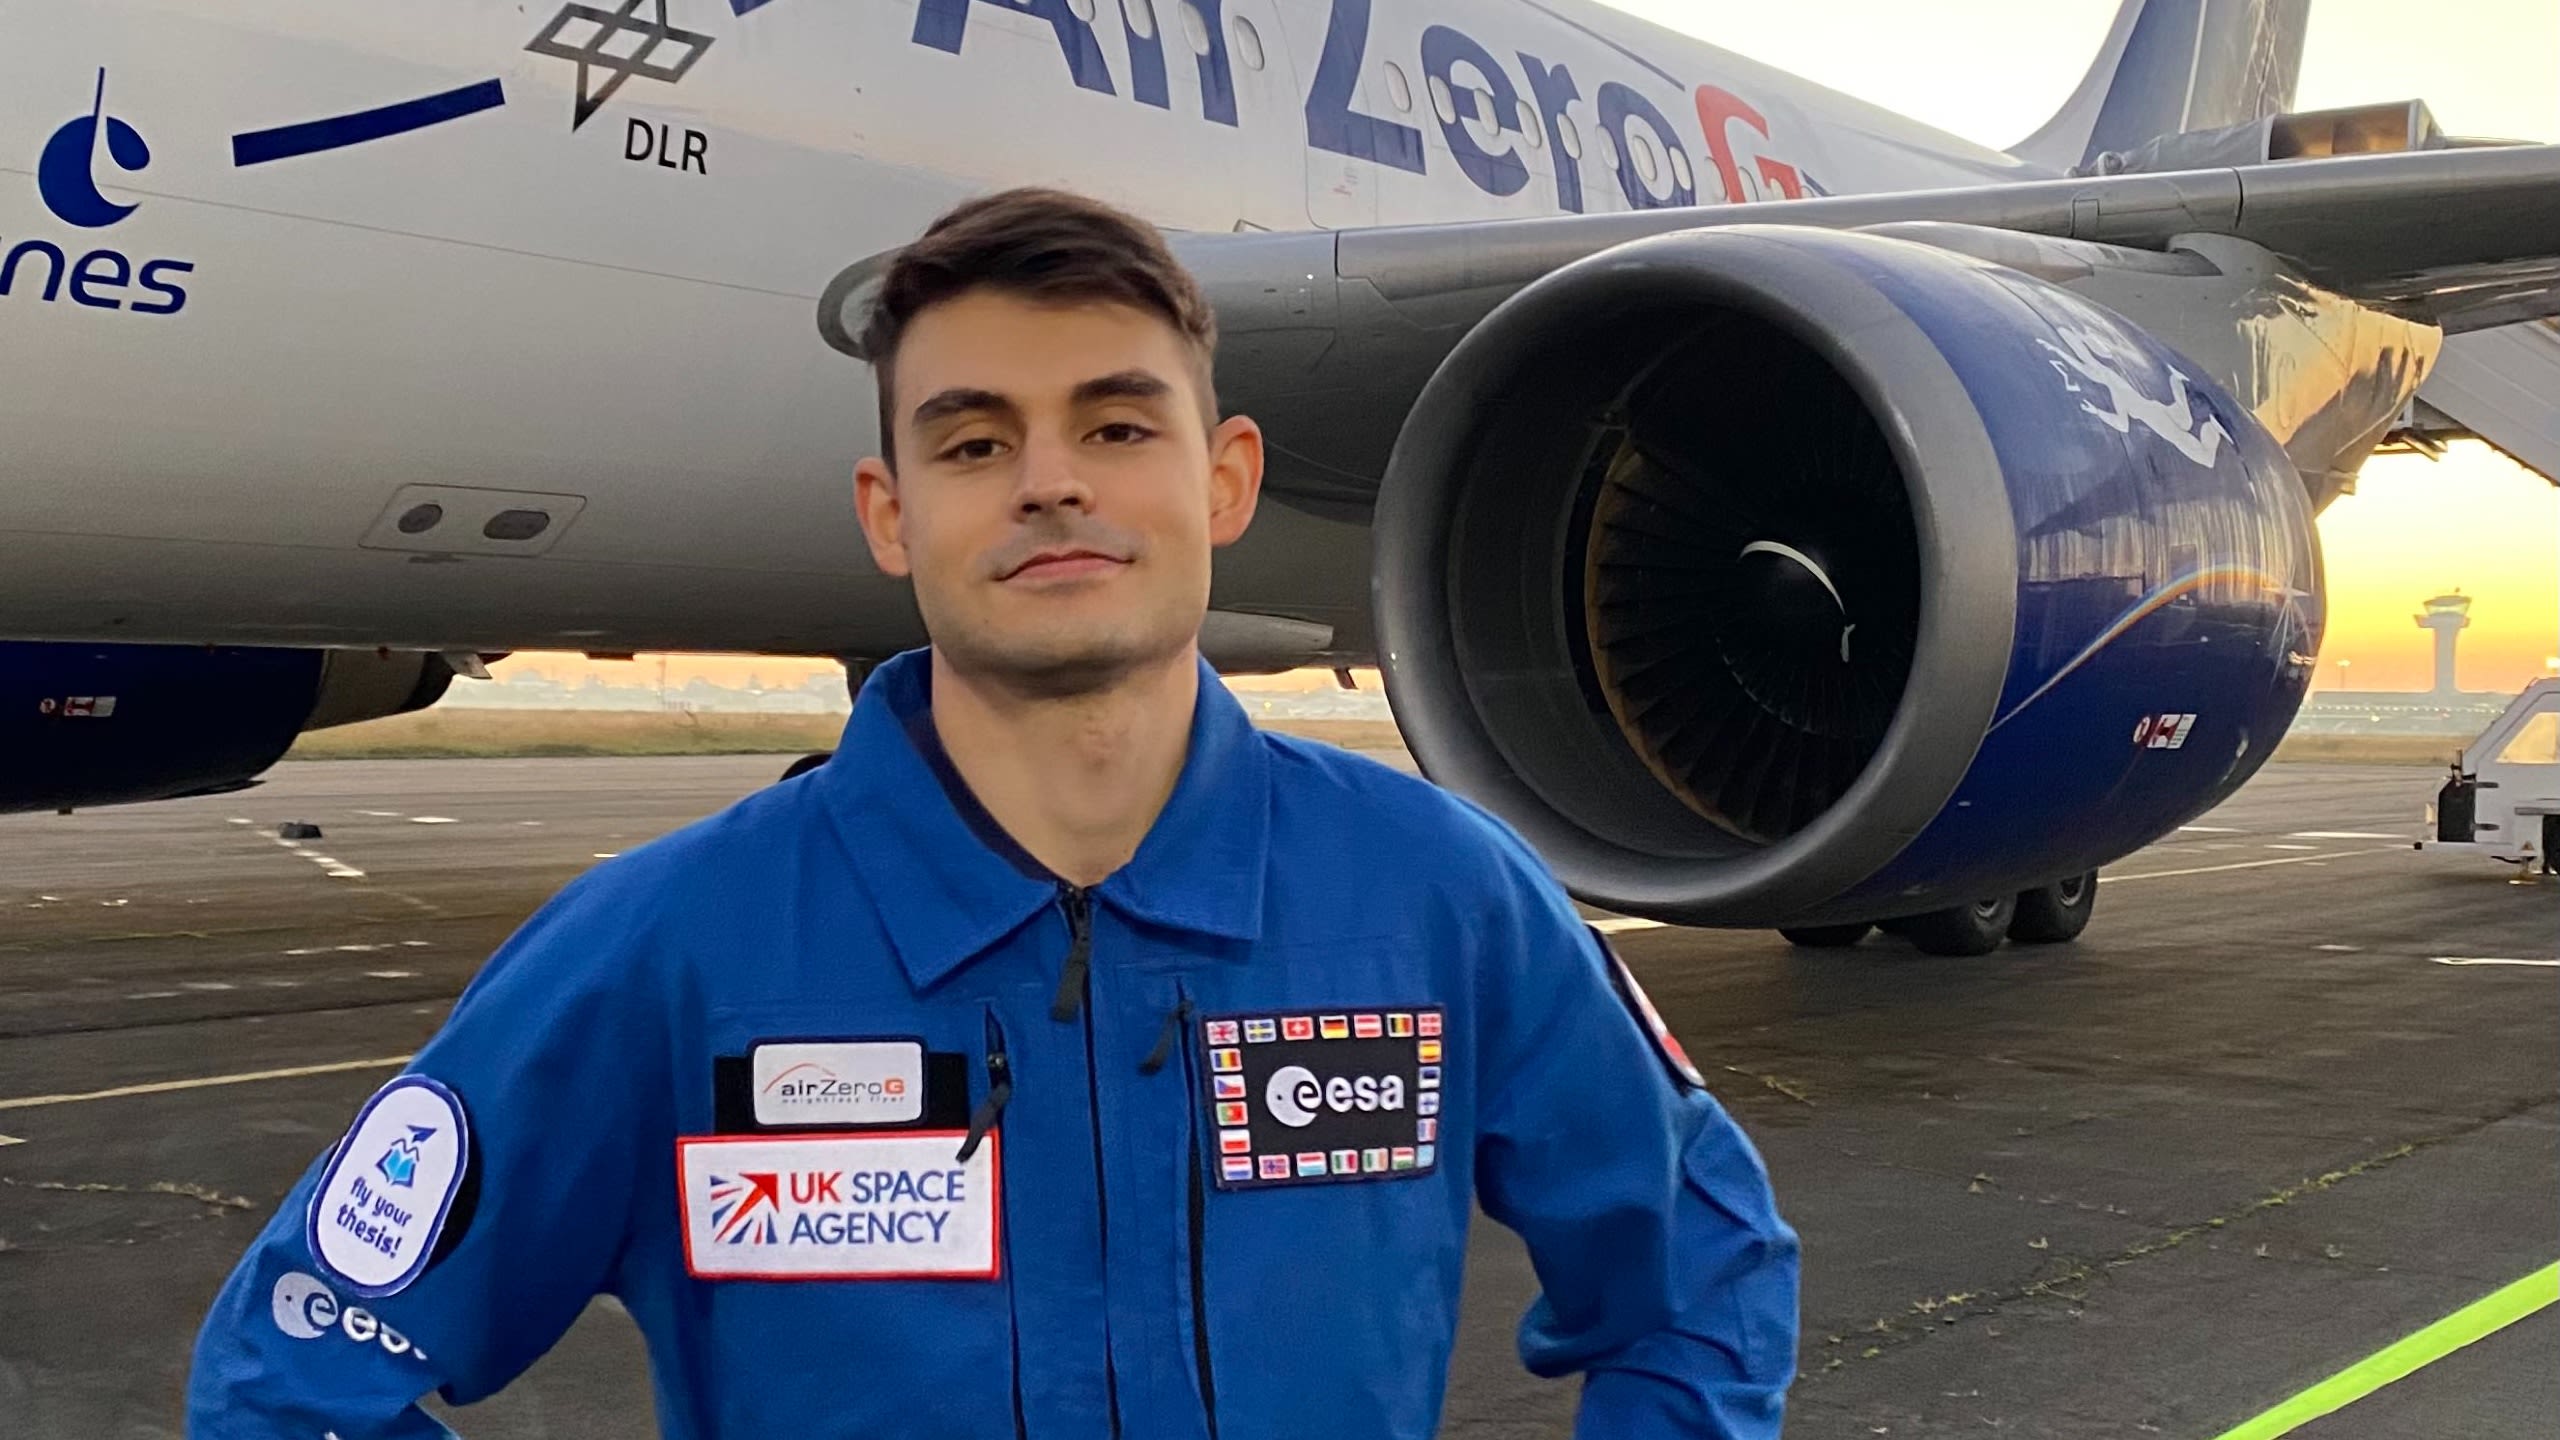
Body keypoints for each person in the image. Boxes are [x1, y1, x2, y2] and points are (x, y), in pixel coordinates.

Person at [187, 186, 1799, 1439]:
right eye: (975, 441)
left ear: (1224, 480)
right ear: (893, 514)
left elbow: (1705, 1275)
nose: (1052, 482)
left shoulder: (1440, 903)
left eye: (1116, 424)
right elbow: (297, 1370)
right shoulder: (663, 955)